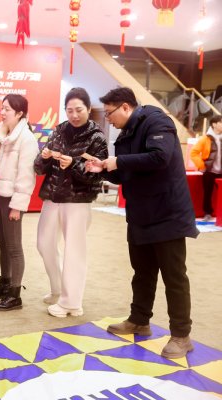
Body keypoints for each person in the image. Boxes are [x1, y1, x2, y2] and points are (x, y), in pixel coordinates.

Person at [86, 87, 199, 359]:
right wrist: (104, 168)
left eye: (110, 113)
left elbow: (159, 157)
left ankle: (182, 335)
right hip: (140, 214)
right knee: (142, 272)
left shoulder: (157, 122)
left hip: (167, 213)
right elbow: (125, 173)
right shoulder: (125, 134)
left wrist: (117, 161)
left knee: (174, 277)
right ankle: (139, 320)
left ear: (126, 107)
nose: (108, 119)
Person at [33, 88, 108, 318]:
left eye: (79, 110)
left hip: (78, 200)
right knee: (44, 244)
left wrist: (73, 164)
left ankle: (71, 303)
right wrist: (44, 157)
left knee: (74, 250)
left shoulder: (96, 137)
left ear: (88, 109)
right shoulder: (59, 131)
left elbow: (97, 175)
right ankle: (58, 289)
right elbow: (38, 167)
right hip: (53, 196)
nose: (74, 115)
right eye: (69, 110)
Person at [0, 94, 39, 311]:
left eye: (7, 109)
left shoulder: (27, 139)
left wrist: (17, 206)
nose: (2, 112)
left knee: (14, 247)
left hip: (12, 200)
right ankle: (5, 283)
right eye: (2, 108)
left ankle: (15, 294)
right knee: (3, 244)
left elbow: (26, 176)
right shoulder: (3, 135)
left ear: (20, 113)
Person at [190, 115, 222, 222]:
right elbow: (194, 153)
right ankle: (207, 213)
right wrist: (202, 166)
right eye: (221, 122)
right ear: (214, 124)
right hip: (209, 171)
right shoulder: (205, 138)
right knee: (208, 193)